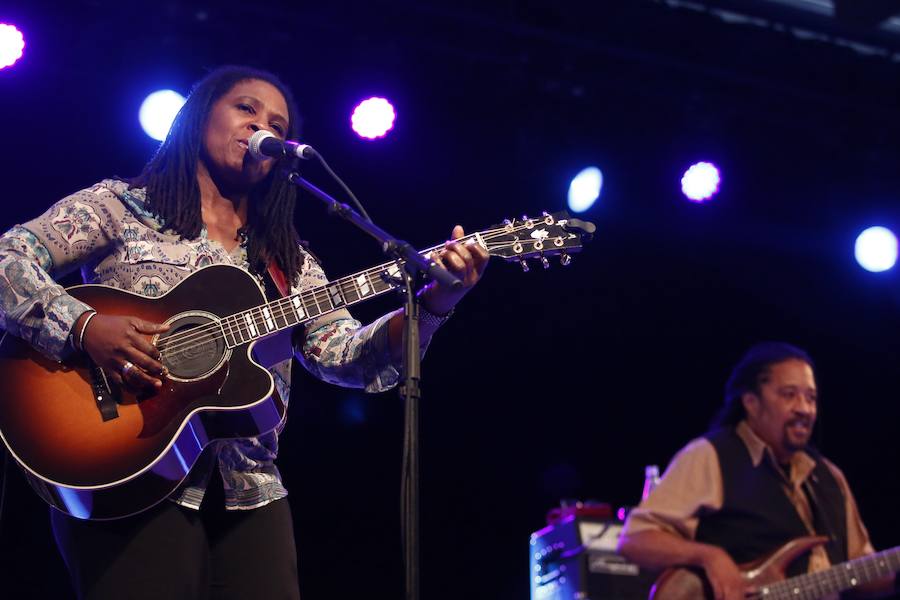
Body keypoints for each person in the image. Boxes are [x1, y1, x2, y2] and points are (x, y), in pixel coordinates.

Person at [0, 65, 488, 600]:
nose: (264, 128)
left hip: (251, 491)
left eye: (278, 123)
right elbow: (8, 258)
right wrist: (85, 325)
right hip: (124, 465)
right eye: (247, 109)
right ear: (199, 117)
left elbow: (344, 356)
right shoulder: (119, 207)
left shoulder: (289, 262)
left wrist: (437, 301)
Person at [617, 342, 897, 600]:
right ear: (751, 402)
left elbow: (862, 571)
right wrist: (710, 557)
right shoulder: (710, 456)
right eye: (789, 395)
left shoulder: (830, 478)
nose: (804, 409)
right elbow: (636, 540)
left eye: (811, 398)